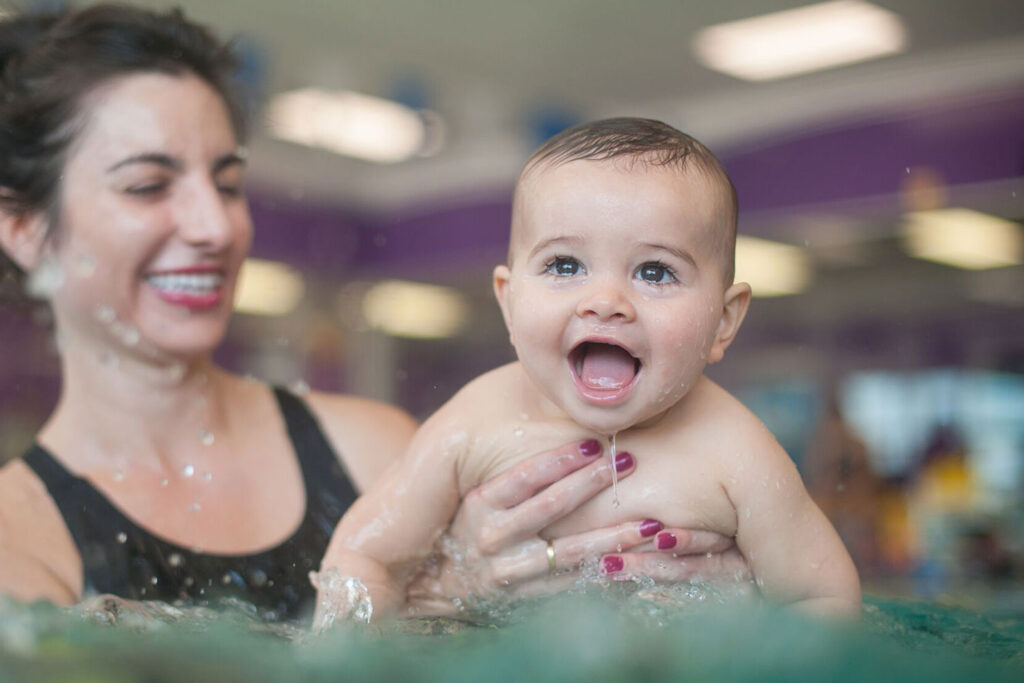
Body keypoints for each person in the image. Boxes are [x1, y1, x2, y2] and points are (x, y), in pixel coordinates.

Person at [0, 7, 745, 623]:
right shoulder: (17, 539)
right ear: (25, 229)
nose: (216, 226)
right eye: (148, 185)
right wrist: (450, 596)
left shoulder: (374, 446)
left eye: (227, 183)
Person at [322, 118, 862, 621]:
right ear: (510, 303)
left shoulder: (738, 452)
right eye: (565, 265)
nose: (605, 301)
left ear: (723, 321)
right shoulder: (474, 420)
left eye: (654, 271)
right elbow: (363, 558)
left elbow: (824, 599)